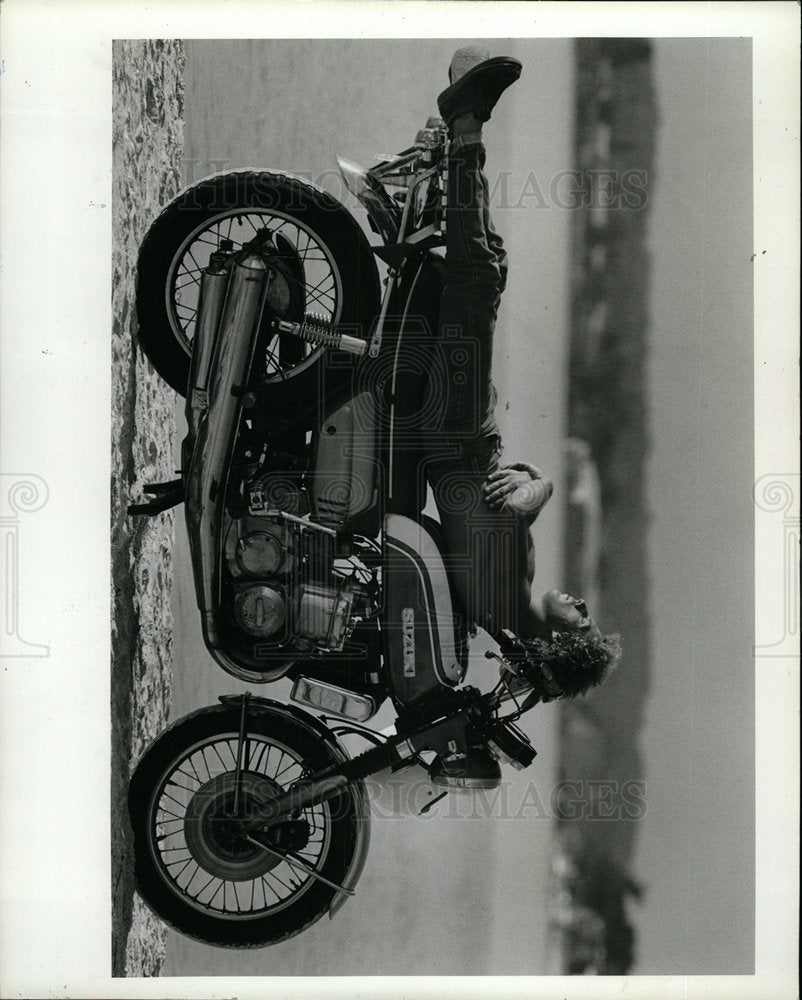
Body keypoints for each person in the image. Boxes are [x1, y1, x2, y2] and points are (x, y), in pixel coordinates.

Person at [420, 50, 619, 787]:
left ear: (564, 637)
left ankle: (462, 123)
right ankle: (443, 149)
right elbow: (523, 490)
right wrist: (531, 484)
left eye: (584, 621)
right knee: (485, 264)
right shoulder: (511, 614)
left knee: (479, 277)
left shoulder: (520, 608)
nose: (582, 605)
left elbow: (522, 495)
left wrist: (533, 488)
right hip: (467, 442)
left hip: (458, 435)